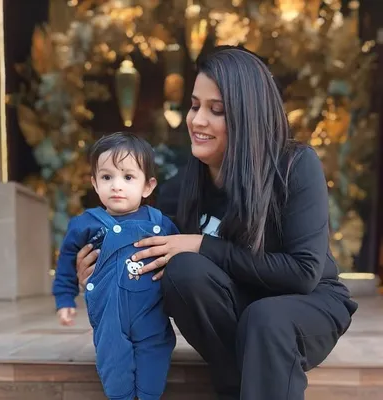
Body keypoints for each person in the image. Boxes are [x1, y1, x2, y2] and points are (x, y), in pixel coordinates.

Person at [75, 47, 358, 400]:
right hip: (234, 312)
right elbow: (152, 265)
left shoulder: (294, 166)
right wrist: (105, 271)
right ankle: (240, 382)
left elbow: (302, 274)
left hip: (305, 305)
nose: (198, 120)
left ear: (247, 114)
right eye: (195, 106)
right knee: (183, 270)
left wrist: (202, 244)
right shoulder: (181, 188)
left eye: (216, 110)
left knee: (264, 318)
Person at [52, 132, 178, 400]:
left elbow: (179, 260)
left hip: (152, 314)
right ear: (95, 184)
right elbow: (66, 262)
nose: (116, 186)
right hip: (109, 316)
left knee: (154, 366)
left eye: (128, 177)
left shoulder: (161, 223)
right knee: (114, 367)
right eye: (107, 177)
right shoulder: (86, 224)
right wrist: (64, 298)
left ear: (147, 186)